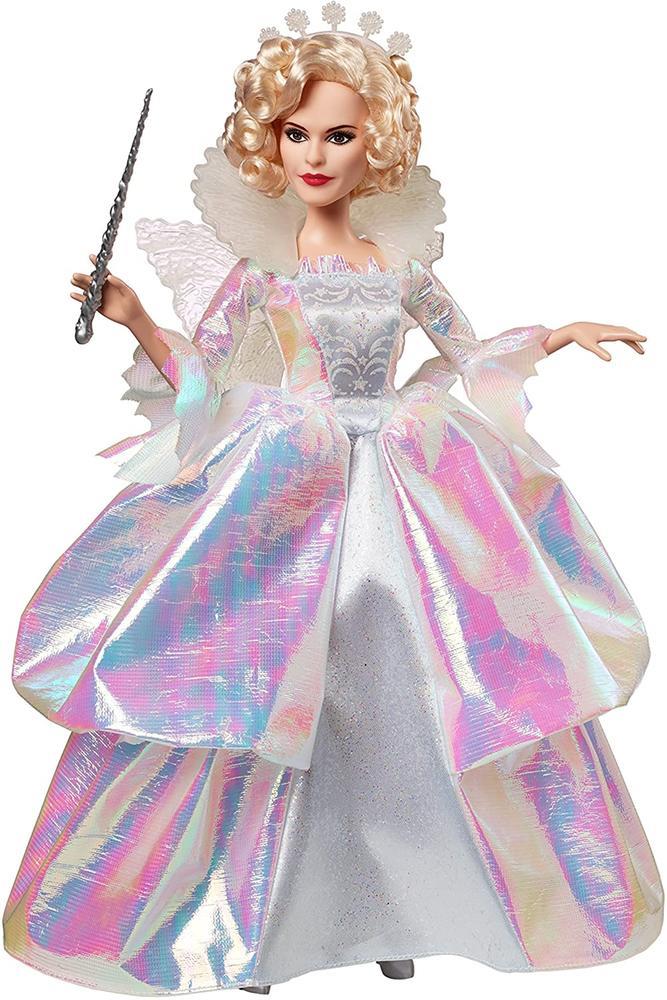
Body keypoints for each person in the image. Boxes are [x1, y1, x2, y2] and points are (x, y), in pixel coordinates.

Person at [3, 11, 663, 995]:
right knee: (277, 686)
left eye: (339, 134)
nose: (315, 154)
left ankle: (394, 904)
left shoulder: (401, 270)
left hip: (397, 489)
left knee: (401, 692)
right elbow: (204, 379)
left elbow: (466, 352)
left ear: (374, 146)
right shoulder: (259, 280)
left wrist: (554, 335)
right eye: (297, 133)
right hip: (290, 488)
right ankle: (264, 926)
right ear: (268, 142)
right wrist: (136, 316)